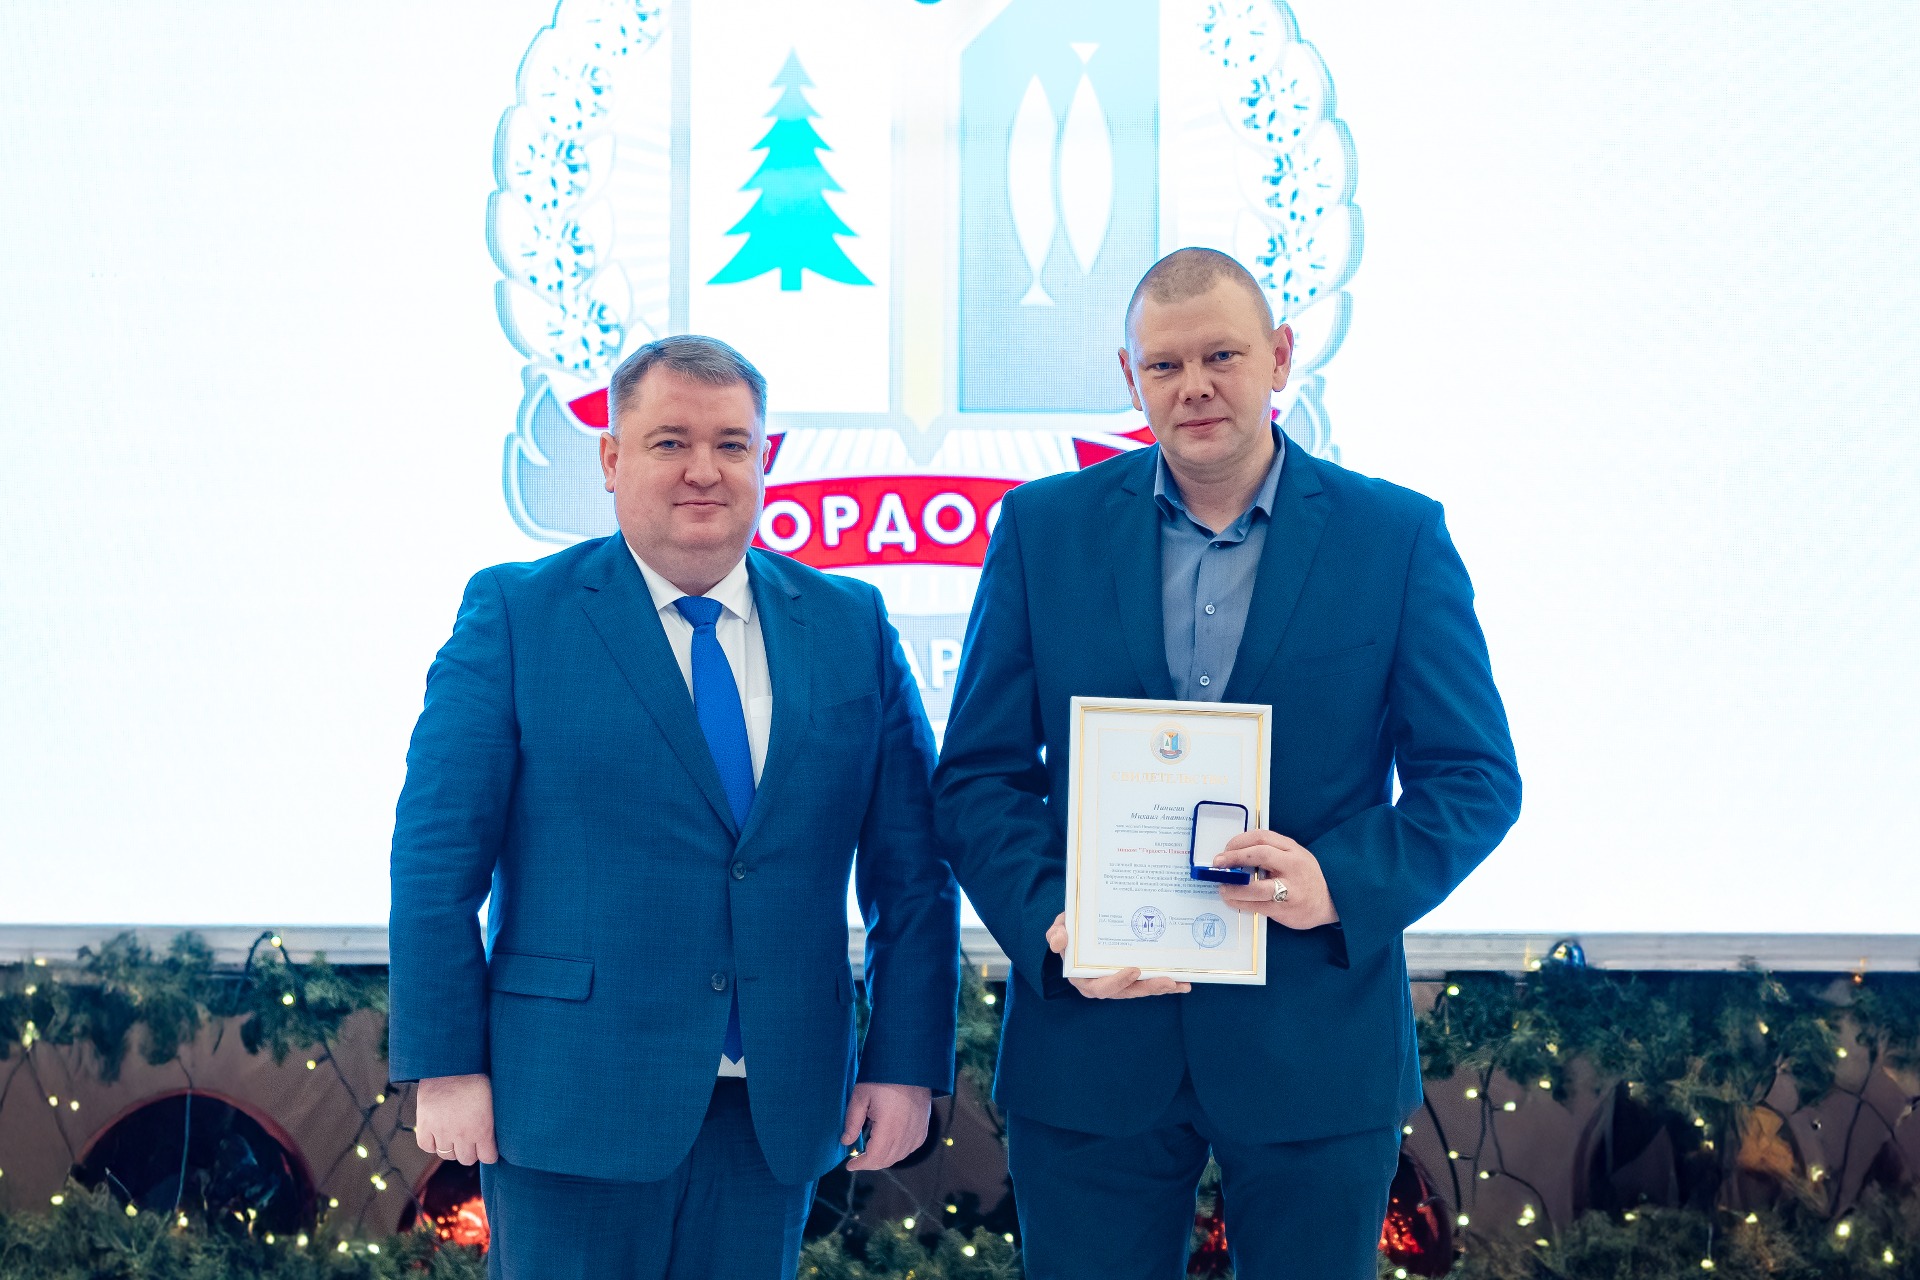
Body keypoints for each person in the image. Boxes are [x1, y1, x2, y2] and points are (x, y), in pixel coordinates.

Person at [932, 248, 1521, 1279]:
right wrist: (1053, 921)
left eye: (1222, 356)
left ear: (1280, 357)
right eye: (1165, 366)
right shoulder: (1042, 531)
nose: (1194, 386)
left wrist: (1337, 882)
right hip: (1093, 1041)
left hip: (1313, 1043)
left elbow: (1474, 777)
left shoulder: (1394, 537)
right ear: (1132, 380)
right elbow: (978, 775)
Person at [388, 335, 961, 1279]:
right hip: (568, 1100)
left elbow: (914, 876)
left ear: (764, 460)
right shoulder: (518, 615)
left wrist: (903, 1064)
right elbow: (435, 861)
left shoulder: (849, 624)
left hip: (776, 1108)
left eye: (733, 444)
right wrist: (447, 1064)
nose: (705, 470)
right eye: (670, 443)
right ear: (612, 459)